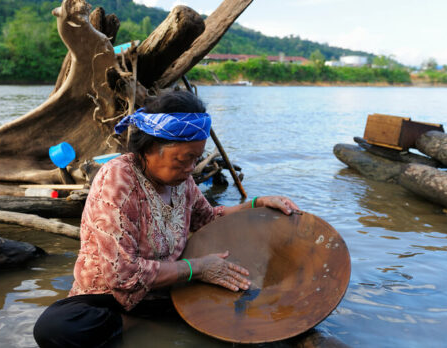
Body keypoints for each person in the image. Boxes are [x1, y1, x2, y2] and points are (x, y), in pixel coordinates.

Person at [33, 91, 299, 347]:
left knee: (252, 301)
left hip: (168, 289)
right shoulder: (118, 178)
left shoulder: (182, 181)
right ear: (150, 148)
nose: (191, 168)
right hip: (110, 299)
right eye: (183, 160)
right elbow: (121, 274)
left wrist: (255, 205)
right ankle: (135, 325)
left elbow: (209, 218)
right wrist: (197, 268)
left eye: (195, 159)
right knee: (57, 327)